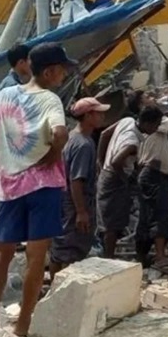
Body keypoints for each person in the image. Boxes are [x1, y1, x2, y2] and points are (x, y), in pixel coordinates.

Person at [0, 43, 76, 337]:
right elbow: (60, 133)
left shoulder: (5, 95)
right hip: (43, 186)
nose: (64, 74)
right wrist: (53, 153)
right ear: (50, 72)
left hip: (9, 186)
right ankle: (23, 323)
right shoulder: (50, 100)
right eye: (62, 69)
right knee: (37, 257)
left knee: (3, 254)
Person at [50, 97, 110, 276]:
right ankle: (64, 292)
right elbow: (76, 180)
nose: (102, 116)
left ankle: (55, 289)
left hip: (65, 200)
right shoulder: (83, 144)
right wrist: (81, 212)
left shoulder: (73, 137)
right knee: (72, 250)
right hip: (76, 203)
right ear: (88, 116)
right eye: (98, 113)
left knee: (60, 249)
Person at [96, 106, 164, 259]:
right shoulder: (132, 142)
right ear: (147, 123)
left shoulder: (127, 121)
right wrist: (125, 179)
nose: (157, 128)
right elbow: (116, 162)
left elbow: (104, 134)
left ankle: (108, 256)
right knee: (111, 224)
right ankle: (108, 259)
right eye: (156, 124)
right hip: (114, 179)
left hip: (108, 175)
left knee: (111, 220)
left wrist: (100, 161)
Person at [135, 93, 168, 271]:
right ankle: (159, 256)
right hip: (154, 175)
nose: (152, 98)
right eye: (147, 97)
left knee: (148, 214)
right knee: (160, 213)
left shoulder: (146, 122)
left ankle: (143, 255)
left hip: (148, 174)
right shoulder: (159, 121)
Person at [0, 44, 32, 243]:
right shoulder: (9, 86)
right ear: (21, 62)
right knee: (5, 190)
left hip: (3, 145)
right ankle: (2, 236)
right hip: (4, 147)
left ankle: (4, 235)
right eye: (29, 60)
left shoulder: (12, 82)